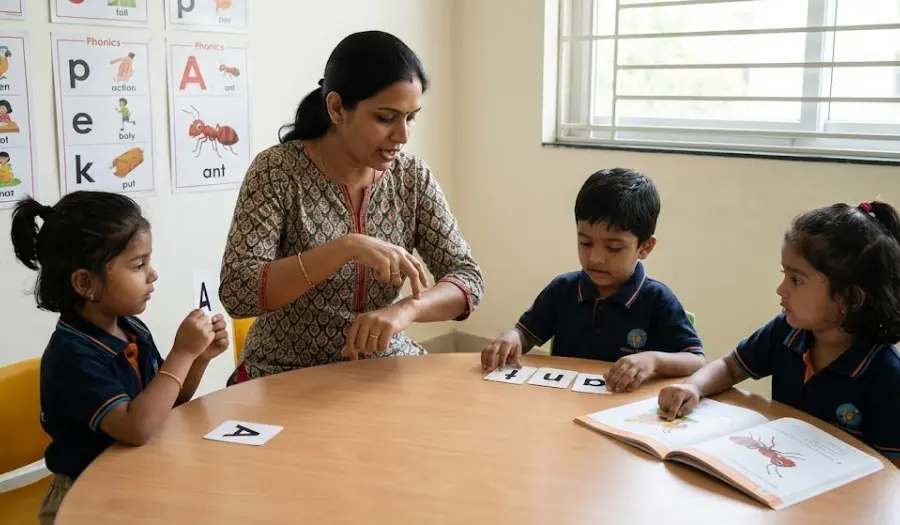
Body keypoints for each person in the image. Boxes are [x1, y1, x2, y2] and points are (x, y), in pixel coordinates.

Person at [219, 30, 483, 383]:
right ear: (337, 108)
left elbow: (467, 278)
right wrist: (346, 247)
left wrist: (408, 309)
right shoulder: (277, 171)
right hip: (284, 373)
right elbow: (239, 291)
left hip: (384, 367)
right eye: (385, 118)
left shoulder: (412, 176)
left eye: (411, 117)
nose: (402, 136)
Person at [9, 192, 229, 524]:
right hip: (84, 497)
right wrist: (182, 354)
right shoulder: (72, 356)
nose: (152, 274)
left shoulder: (131, 329)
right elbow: (135, 427)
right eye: (139, 265)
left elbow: (163, 405)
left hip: (136, 477)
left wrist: (198, 358)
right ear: (85, 282)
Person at [658, 201, 900, 467]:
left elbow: (890, 473)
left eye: (796, 280)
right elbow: (728, 367)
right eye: (785, 274)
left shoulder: (886, 374)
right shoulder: (785, 332)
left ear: (849, 298)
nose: (781, 289)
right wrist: (694, 387)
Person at [480, 168, 704, 392]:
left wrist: (653, 360)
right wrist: (512, 337)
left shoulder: (657, 299)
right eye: (585, 243)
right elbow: (526, 333)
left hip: (622, 410)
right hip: (565, 404)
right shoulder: (563, 289)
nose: (596, 258)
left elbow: (695, 359)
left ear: (644, 247)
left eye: (613, 248)